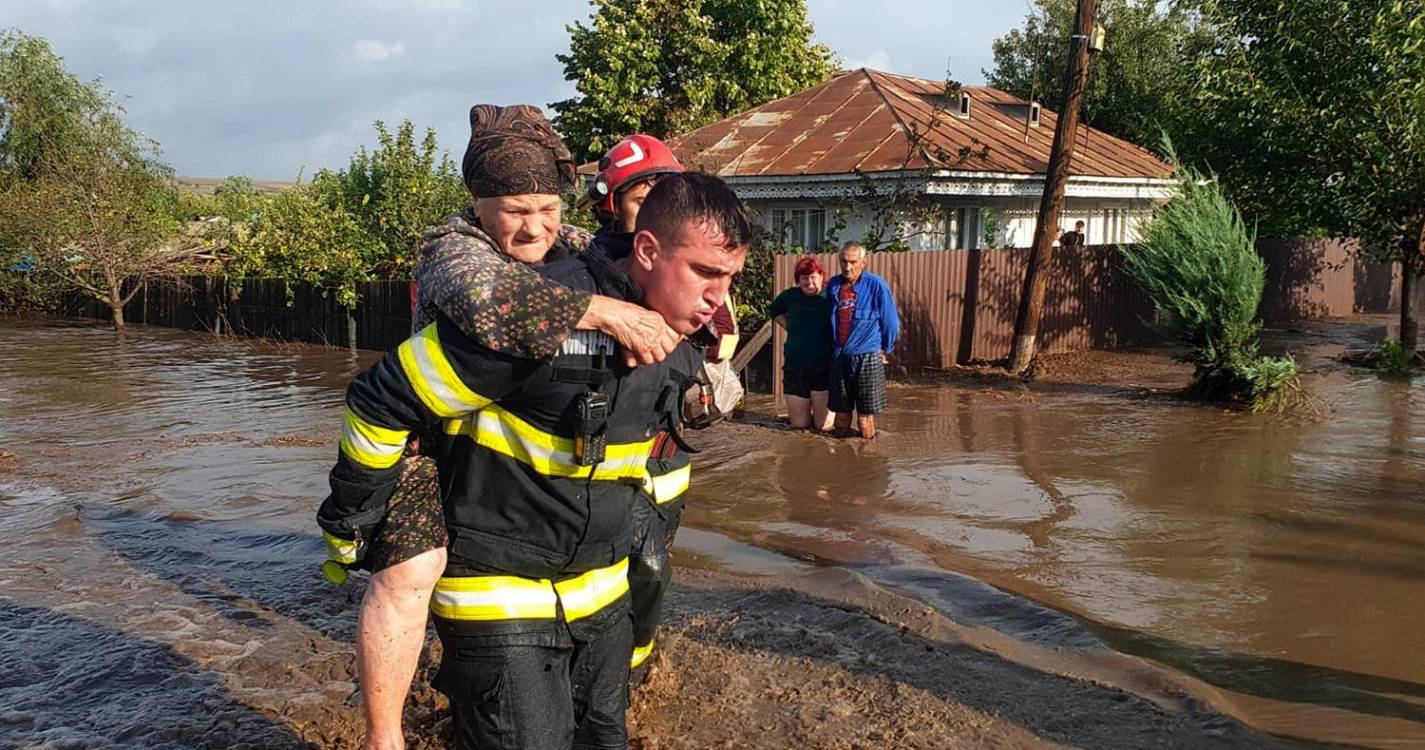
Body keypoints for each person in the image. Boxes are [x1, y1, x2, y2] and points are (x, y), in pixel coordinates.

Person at [319, 171, 752, 750]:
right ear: (648, 250)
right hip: (499, 595)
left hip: (599, 594)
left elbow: (655, 451)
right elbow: (380, 399)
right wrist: (354, 517)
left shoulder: (681, 329)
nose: (718, 299)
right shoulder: (535, 319)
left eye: (729, 278)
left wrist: (705, 396)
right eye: (706, 273)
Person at [826, 242, 899, 440]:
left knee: (865, 418)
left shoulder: (876, 285)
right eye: (843, 261)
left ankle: (867, 461)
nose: (847, 267)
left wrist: (885, 349)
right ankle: (840, 458)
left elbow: (891, 323)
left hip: (867, 357)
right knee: (840, 415)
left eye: (853, 262)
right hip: (840, 357)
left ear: (863, 262)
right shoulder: (833, 285)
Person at [769, 255, 834, 431]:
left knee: (824, 426)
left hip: (825, 369)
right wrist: (790, 327)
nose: (809, 282)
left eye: (813, 276)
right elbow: (774, 311)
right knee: (799, 426)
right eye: (804, 278)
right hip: (795, 369)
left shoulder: (831, 295)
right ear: (798, 280)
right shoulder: (789, 296)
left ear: (821, 276)